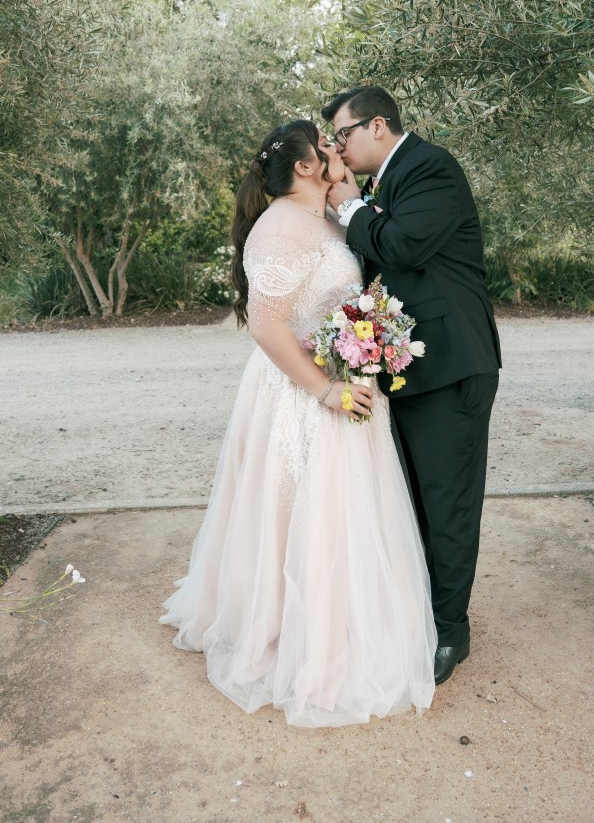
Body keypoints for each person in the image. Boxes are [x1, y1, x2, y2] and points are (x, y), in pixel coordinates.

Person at [160, 119, 436, 727]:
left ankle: (341, 621)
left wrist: (369, 344)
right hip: (300, 395)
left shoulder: (328, 218)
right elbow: (266, 325)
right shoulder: (280, 228)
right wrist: (327, 389)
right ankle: (290, 633)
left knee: (341, 515)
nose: (339, 150)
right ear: (307, 168)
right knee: (296, 514)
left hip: (344, 381)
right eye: (328, 146)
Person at [324, 86, 502, 685]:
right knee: (415, 502)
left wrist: (351, 210)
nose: (339, 148)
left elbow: (401, 244)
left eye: (343, 135)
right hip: (406, 370)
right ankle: (421, 616)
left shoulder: (432, 168)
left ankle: (450, 631)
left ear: (378, 126)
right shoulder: (380, 185)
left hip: (451, 367)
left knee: (448, 504)